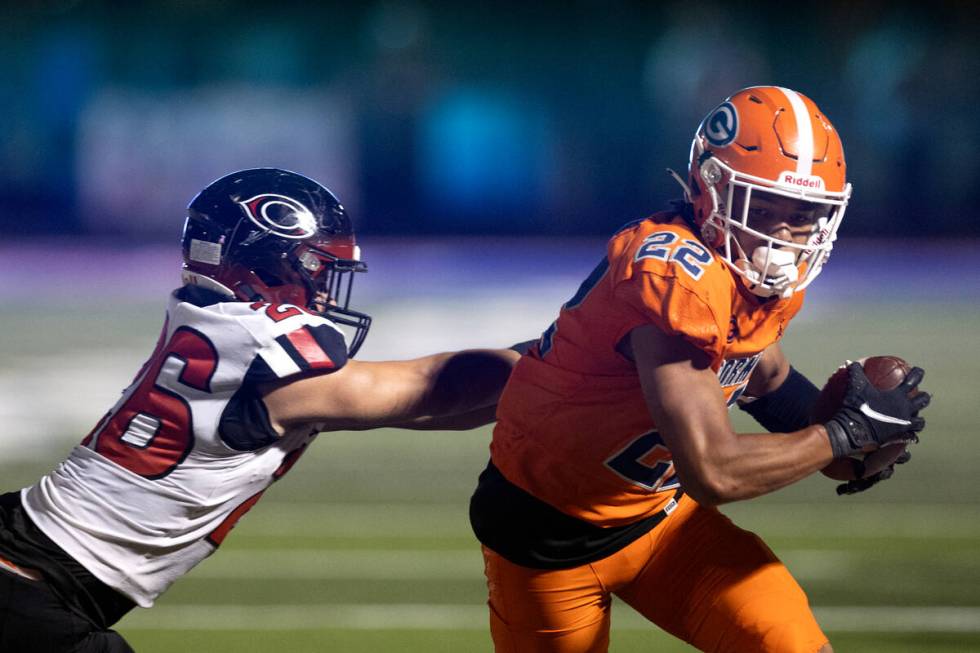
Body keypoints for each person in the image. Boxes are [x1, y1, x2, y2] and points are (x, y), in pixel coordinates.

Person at [469, 86, 931, 653]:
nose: (782, 237)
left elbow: (771, 383)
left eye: (804, 216)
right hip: (549, 541)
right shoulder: (674, 274)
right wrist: (841, 434)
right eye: (764, 210)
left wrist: (853, 441)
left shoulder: (754, 281)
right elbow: (714, 472)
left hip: (663, 523)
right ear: (706, 190)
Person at [0, 168, 520, 652]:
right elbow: (430, 388)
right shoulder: (263, 348)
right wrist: (562, 357)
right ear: (268, 260)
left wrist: (553, 384)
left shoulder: (217, 323)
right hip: (29, 590)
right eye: (316, 266)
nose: (321, 287)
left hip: (26, 560)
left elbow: (431, 410)